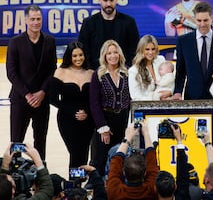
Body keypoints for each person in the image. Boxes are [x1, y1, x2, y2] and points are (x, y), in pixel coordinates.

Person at [6, 4, 57, 160]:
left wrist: (42, 92)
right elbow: (11, 73)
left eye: (39, 19)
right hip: (21, 100)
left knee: (40, 140)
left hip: (42, 100)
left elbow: (52, 70)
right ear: (26, 20)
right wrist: (27, 95)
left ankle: (40, 175)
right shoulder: (15, 42)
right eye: (33, 19)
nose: (36, 22)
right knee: (16, 141)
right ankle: (15, 177)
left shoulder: (49, 41)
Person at [49, 41, 94, 168]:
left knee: (84, 153)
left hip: (88, 120)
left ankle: (79, 183)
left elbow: (95, 99)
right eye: (74, 56)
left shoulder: (91, 73)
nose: (78, 58)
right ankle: (73, 184)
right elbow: (52, 98)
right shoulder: (61, 72)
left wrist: (87, 112)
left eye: (81, 55)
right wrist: (72, 111)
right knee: (75, 152)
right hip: (67, 119)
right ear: (69, 56)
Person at [89, 39, 131, 176]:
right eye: (109, 53)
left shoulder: (127, 74)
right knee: (100, 159)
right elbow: (94, 103)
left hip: (123, 121)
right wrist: (103, 127)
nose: (113, 56)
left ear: (120, 55)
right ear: (104, 56)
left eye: (115, 52)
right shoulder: (98, 75)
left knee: (120, 158)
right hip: (105, 121)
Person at [78, 0, 139, 69]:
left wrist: (126, 69)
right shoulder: (89, 23)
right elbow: (84, 51)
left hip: (123, 72)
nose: (109, 4)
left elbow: (134, 50)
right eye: (105, 0)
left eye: (111, 0)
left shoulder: (129, 22)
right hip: (95, 72)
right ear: (99, 0)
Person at [172, 1, 213, 100]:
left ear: (212, 18)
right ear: (194, 20)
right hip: (192, 97)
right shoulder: (183, 41)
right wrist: (178, 92)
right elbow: (180, 71)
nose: (202, 24)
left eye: (206, 20)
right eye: (199, 20)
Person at [106, 120, 158, 200]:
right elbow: (152, 165)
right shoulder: (151, 190)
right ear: (144, 173)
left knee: (113, 150)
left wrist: (128, 137)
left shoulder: (115, 191)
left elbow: (115, 164)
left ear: (124, 172)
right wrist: (146, 133)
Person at [129, 35, 173, 101]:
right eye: (147, 49)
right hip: (145, 108)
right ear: (141, 50)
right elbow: (135, 96)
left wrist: (170, 91)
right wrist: (157, 97)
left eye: (153, 49)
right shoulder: (134, 70)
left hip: (165, 106)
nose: (150, 52)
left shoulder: (161, 60)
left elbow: (171, 78)